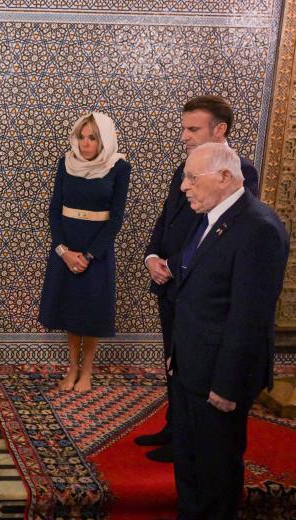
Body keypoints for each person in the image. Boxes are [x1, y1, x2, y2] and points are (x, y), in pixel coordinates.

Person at [136, 95, 260, 463]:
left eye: (193, 129)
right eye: (183, 128)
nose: (184, 136)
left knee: (195, 365)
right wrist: (152, 256)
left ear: (219, 129)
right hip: (170, 281)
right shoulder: (186, 168)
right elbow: (168, 218)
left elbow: (218, 233)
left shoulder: (240, 172)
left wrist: (177, 263)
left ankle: (188, 439)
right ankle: (174, 427)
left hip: (200, 287)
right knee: (174, 359)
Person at [168, 142, 287, 519]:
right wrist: (177, 351)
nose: (184, 186)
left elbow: (249, 317)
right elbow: (197, 294)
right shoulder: (211, 218)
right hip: (192, 364)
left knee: (216, 473)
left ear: (224, 177)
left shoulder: (258, 228)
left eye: (191, 177)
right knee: (189, 462)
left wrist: (227, 384)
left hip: (220, 376)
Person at [38, 112, 131, 392]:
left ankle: (87, 370)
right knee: (70, 308)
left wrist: (90, 255)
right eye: (83, 136)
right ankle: (72, 368)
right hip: (66, 247)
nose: (86, 143)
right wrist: (63, 250)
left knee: (90, 310)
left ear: (104, 140)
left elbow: (116, 218)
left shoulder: (119, 167)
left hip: (97, 250)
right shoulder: (66, 164)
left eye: (93, 137)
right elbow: (55, 209)